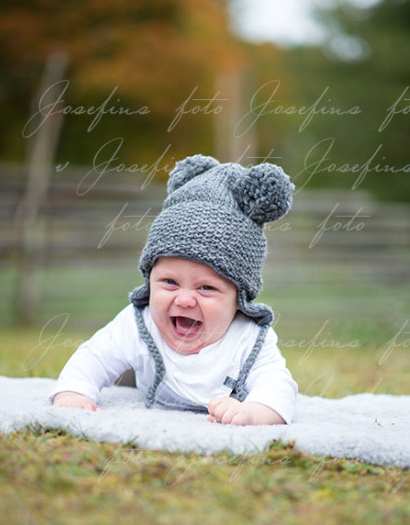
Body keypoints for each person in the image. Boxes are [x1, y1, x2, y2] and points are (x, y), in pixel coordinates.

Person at [51, 154, 298, 425]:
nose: (184, 299)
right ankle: (129, 373)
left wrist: (253, 411)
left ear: (239, 299)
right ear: (150, 279)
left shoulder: (248, 338)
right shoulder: (139, 322)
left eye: (206, 287)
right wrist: (74, 392)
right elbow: (94, 357)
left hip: (225, 401)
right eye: (170, 282)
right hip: (150, 381)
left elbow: (279, 387)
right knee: (120, 360)